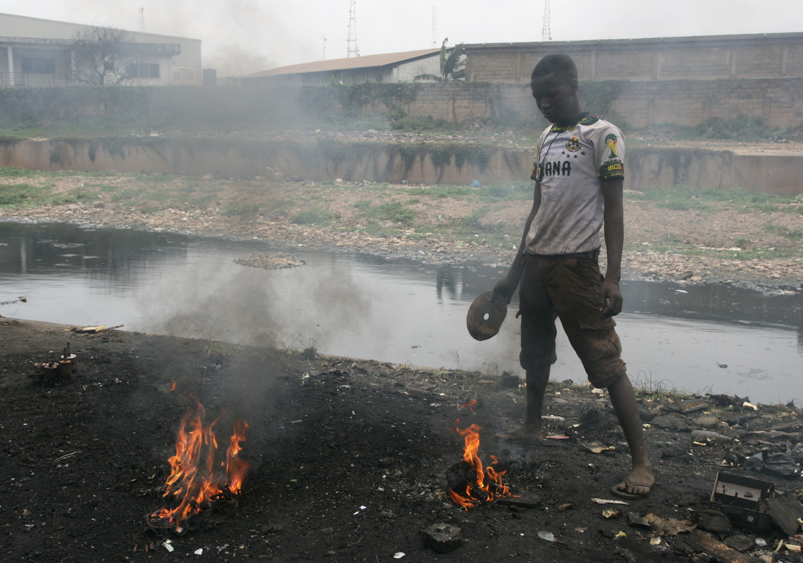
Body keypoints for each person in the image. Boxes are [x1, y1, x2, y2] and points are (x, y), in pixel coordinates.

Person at [491, 54, 654, 499]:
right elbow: (536, 208)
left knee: (604, 362)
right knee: (536, 351)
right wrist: (512, 273)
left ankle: (641, 463)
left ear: (575, 85)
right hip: (537, 265)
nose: (544, 104)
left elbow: (615, 209)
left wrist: (613, 277)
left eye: (552, 95)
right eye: (538, 97)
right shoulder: (545, 138)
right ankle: (532, 426)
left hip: (578, 267)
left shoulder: (604, 136)